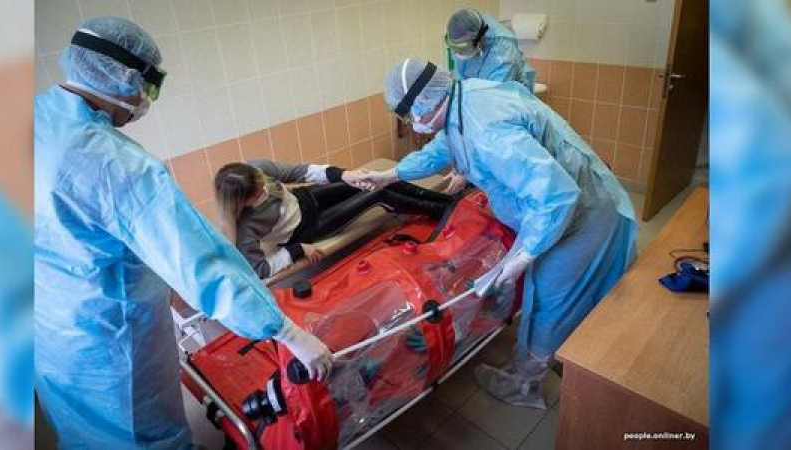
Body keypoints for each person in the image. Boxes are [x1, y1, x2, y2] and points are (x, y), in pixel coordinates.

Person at [34, 17, 332, 448]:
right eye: (148, 88)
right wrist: (287, 332)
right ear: (127, 77)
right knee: (141, 437)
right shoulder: (113, 163)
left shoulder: (32, 122)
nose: (144, 102)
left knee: (84, 434)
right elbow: (200, 261)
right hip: (112, 345)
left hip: (52, 332)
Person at [359, 58, 637, 409]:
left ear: (424, 102)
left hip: (579, 220)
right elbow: (443, 148)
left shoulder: (488, 131)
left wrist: (517, 260)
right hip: (577, 204)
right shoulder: (464, 97)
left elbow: (557, 198)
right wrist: (391, 174)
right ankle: (569, 359)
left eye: (408, 113)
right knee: (574, 296)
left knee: (547, 301)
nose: (410, 122)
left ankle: (524, 385)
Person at [214, 160, 452, 278]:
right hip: (308, 228)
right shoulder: (245, 225)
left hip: (306, 198)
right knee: (378, 194)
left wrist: (344, 175)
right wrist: (298, 249)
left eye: (263, 185)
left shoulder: (256, 168)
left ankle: (448, 201)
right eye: (258, 195)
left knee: (376, 180)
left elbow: (301, 171)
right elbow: (260, 269)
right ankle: (445, 211)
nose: (265, 191)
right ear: (242, 202)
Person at [443, 8, 539, 195]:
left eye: (462, 49)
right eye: (455, 48)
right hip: (485, 106)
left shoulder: (502, 54)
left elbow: (489, 114)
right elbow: (462, 91)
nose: (457, 54)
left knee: (507, 171)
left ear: (479, 40)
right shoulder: (463, 33)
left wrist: (467, 168)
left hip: (508, 110)